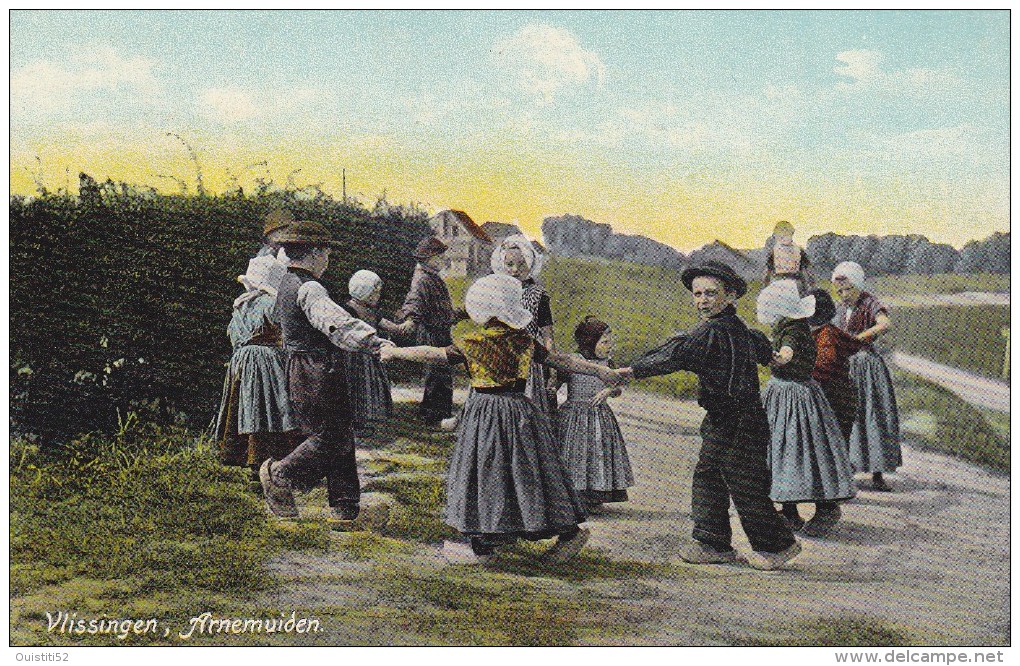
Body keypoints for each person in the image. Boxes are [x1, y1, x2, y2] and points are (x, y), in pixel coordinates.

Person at [382, 274, 620, 564]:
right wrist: (598, 371)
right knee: (529, 473)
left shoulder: (474, 342)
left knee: (485, 473)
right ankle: (564, 532)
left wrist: (395, 353)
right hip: (519, 410)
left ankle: (485, 544)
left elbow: (434, 354)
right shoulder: (524, 341)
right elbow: (563, 361)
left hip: (485, 413)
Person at [611, 260, 800, 571]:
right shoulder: (740, 329)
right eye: (697, 294)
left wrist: (631, 371)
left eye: (710, 293)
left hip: (740, 419)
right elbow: (765, 352)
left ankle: (778, 545)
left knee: (744, 481)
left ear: (730, 296)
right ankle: (713, 542)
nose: (702, 301)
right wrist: (776, 357)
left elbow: (677, 355)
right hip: (725, 418)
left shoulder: (713, 330)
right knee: (709, 474)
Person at [259, 220, 394, 523]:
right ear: (316, 253)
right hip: (318, 368)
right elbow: (335, 323)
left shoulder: (284, 284)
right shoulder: (309, 287)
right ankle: (280, 473)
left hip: (300, 366)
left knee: (339, 431)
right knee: (331, 435)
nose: (327, 261)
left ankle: (344, 506)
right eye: (327, 254)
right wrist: (372, 341)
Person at [756, 280, 855, 537]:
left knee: (799, 449)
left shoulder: (792, 330)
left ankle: (825, 508)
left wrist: (769, 354)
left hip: (794, 395)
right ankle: (789, 511)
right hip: (784, 391)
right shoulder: (791, 325)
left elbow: (786, 354)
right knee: (781, 450)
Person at [215, 254, 297, 471]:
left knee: (245, 405)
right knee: (268, 407)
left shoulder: (239, 307)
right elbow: (286, 331)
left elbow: (233, 336)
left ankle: (241, 455)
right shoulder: (271, 304)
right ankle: (265, 460)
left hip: (240, 360)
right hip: (265, 360)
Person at [832, 261, 902, 492]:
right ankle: (846, 470)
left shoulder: (870, 303)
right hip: (846, 367)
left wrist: (859, 338)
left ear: (859, 285)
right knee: (847, 416)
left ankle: (878, 474)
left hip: (867, 366)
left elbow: (885, 324)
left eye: (848, 289)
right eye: (839, 291)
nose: (843, 295)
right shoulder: (839, 308)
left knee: (872, 414)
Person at [557, 316, 634, 511]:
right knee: (575, 455)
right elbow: (555, 385)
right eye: (605, 342)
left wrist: (609, 391)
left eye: (611, 341)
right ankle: (573, 496)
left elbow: (617, 387)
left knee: (597, 454)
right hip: (574, 416)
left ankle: (594, 495)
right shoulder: (574, 361)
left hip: (600, 417)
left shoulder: (608, 363)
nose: (610, 346)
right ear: (590, 342)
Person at [491, 235, 557, 414]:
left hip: (528, 358)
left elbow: (548, 335)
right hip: (501, 353)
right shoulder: (497, 292)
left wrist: (552, 369)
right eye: (510, 265)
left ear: (530, 265)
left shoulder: (537, 295)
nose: (515, 270)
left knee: (526, 408)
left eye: (521, 265)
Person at [396, 235, 457, 426]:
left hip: (440, 330)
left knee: (441, 372)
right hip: (431, 332)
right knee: (437, 372)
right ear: (428, 257)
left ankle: (436, 412)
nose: (443, 259)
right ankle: (434, 416)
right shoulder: (423, 279)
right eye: (440, 256)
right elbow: (414, 301)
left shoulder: (432, 277)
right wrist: (411, 319)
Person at [344, 270, 402, 439]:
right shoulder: (348, 310)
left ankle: (367, 420)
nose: (378, 295)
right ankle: (357, 423)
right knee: (357, 389)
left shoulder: (372, 311)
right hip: (354, 358)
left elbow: (391, 327)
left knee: (371, 388)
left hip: (370, 358)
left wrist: (402, 326)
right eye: (376, 292)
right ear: (365, 291)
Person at [807, 288, 865, 444]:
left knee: (829, 441)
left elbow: (826, 364)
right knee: (839, 441)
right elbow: (854, 344)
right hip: (845, 394)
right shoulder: (832, 331)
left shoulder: (825, 335)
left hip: (832, 396)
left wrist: (805, 371)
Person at [765, 220, 815, 294]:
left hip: (778, 283)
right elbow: (808, 272)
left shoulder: (774, 251)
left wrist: (766, 288)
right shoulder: (799, 250)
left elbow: (768, 273)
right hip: (795, 283)